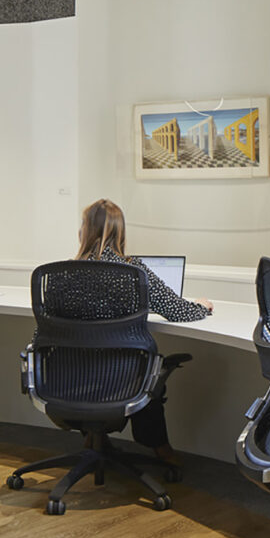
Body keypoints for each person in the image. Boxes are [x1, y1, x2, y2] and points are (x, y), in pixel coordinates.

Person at [72, 198, 212, 462]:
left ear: (85, 231)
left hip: (70, 378)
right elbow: (178, 312)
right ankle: (161, 450)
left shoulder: (64, 274)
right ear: (120, 232)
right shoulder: (133, 271)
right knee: (146, 369)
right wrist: (201, 306)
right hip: (121, 379)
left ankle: (93, 437)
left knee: (117, 364)